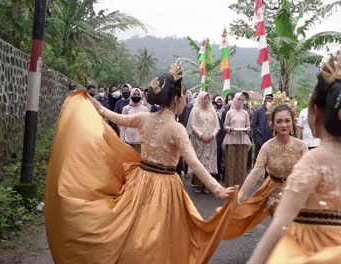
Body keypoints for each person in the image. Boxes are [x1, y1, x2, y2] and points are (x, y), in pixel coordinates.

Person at [44, 63, 236, 264]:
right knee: (158, 234)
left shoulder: (144, 117)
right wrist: (216, 188)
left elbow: (107, 113)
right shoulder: (177, 128)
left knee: (131, 228)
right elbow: (194, 163)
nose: (185, 103)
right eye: (184, 98)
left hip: (141, 179)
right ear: (177, 100)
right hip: (165, 185)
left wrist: (86, 97)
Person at [247, 52, 341, 263]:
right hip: (339, 250)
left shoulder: (314, 158)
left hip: (305, 250)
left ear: (314, 111)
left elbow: (279, 225)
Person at [222, 92, 308, 240]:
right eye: (279, 121)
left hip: (296, 192)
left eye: (287, 121)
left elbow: (310, 172)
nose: (283, 125)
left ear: (292, 121)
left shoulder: (301, 146)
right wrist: (241, 196)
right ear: (272, 123)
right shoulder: (267, 147)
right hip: (274, 195)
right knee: (282, 231)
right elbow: (256, 172)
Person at [187, 92, 220, 193]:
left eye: (207, 99)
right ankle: (198, 184)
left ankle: (208, 185)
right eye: (204, 99)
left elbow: (217, 126)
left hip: (211, 141)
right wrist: (201, 135)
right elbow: (192, 125)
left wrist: (212, 135)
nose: (206, 101)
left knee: (209, 162)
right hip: (199, 140)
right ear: (200, 99)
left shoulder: (212, 111)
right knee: (199, 161)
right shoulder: (195, 111)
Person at [222, 92, 251, 187]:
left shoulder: (245, 113)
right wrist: (229, 129)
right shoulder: (230, 112)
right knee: (230, 163)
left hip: (242, 139)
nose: (240, 102)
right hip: (231, 139)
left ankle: (240, 186)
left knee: (241, 163)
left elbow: (248, 125)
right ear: (235, 100)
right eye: (238, 99)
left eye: (242, 100)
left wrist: (247, 129)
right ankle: (229, 186)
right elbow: (225, 125)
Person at [251, 93, 274, 162]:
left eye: (271, 101)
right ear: (264, 101)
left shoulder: (274, 112)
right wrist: (256, 136)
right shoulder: (258, 111)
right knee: (258, 159)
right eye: (268, 101)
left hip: (271, 139)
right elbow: (253, 125)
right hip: (260, 139)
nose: (269, 102)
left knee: (270, 160)